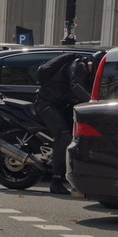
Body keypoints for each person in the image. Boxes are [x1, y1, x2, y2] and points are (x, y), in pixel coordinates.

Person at [34, 50, 105, 194]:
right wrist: (93, 104)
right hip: (47, 103)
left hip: (61, 105)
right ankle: (56, 181)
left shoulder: (86, 69)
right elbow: (76, 86)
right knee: (64, 136)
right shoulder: (78, 66)